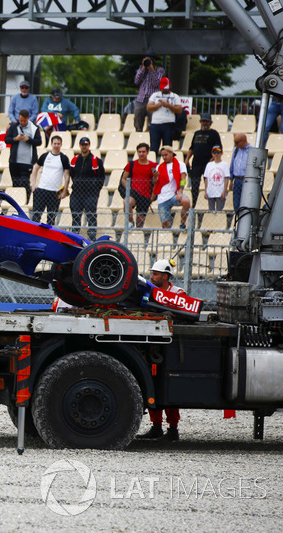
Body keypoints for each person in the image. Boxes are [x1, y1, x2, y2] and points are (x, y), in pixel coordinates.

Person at [136, 259, 183, 442]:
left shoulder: (178, 293)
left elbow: (182, 314)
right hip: (154, 344)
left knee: (169, 387)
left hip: (170, 345)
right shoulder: (149, 292)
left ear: (164, 276)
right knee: (154, 385)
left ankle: (173, 429)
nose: (151, 276)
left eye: (155, 274)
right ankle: (156, 427)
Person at [66, 136, 105, 241]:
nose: (84, 146)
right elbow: (72, 175)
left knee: (91, 217)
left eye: (86, 144)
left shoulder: (96, 161)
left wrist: (95, 190)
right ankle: (75, 238)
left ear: (89, 145)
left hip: (91, 194)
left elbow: (101, 177)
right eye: (82, 144)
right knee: (76, 217)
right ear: (80, 146)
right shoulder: (74, 160)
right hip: (77, 193)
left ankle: (91, 239)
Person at [30, 135, 71, 226]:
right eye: (55, 143)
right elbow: (35, 168)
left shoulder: (64, 158)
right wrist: (33, 184)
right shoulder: (45, 156)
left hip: (55, 192)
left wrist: (64, 191)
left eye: (58, 144)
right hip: (41, 190)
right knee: (36, 216)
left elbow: (67, 176)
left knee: (51, 218)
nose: (56, 145)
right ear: (51, 144)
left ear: (61, 145)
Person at [4, 109, 42, 203]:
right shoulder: (14, 126)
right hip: (14, 161)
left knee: (25, 183)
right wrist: (15, 139)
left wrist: (28, 139)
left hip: (27, 162)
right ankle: (16, 202)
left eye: (24, 120)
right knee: (15, 183)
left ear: (28, 118)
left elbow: (39, 142)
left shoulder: (34, 127)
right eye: (21, 120)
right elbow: (7, 140)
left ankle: (26, 202)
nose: (22, 122)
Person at [185, 113, 221, 208]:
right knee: (195, 185)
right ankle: (194, 204)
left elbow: (218, 147)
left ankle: (210, 205)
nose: (205, 123)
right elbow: (192, 147)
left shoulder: (214, 133)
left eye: (207, 121)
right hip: (196, 163)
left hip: (208, 164)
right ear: (200, 122)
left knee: (209, 185)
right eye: (203, 121)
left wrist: (213, 158)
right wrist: (187, 158)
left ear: (210, 123)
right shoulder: (197, 133)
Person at [152, 146, 191, 229]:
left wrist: (180, 191)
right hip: (162, 197)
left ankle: (182, 223)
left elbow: (183, 179)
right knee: (165, 224)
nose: (164, 157)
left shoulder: (180, 164)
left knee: (186, 201)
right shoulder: (159, 166)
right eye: (162, 156)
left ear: (171, 153)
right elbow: (156, 183)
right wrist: (155, 177)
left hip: (174, 194)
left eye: (166, 155)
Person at [121, 142, 156, 228]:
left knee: (140, 222)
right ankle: (130, 222)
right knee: (127, 202)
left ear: (147, 152)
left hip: (145, 195)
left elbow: (156, 182)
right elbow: (123, 178)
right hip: (134, 192)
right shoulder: (131, 164)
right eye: (139, 152)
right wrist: (128, 189)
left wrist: (152, 196)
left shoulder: (153, 165)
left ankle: (137, 236)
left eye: (143, 152)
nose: (141, 154)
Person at [146, 77, 182, 156]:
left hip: (168, 124)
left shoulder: (175, 96)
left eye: (166, 88)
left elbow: (179, 110)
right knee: (154, 147)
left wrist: (169, 105)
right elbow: (148, 107)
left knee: (167, 148)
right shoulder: (155, 95)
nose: (164, 90)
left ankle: (167, 165)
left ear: (170, 86)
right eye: (163, 88)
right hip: (155, 124)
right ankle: (153, 165)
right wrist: (159, 104)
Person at [133, 57, 165, 133]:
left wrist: (151, 70)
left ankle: (153, 134)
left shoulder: (159, 70)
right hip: (141, 99)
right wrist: (143, 68)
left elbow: (155, 83)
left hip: (153, 100)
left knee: (153, 119)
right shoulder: (141, 69)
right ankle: (138, 133)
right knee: (138, 117)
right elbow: (136, 81)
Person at [230, 133, 252, 214]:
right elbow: (232, 164)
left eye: (237, 142)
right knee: (236, 204)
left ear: (243, 140)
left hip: (247, 180)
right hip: (237, 180)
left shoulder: (252, 150)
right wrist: (231, 181)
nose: (235, 144)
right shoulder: (236, 150)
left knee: (247, 203)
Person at [203, 146, 229, 212]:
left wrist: (224, 191)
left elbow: (226, 179)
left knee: (219, 211)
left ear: (221, 153)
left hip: (220, 192)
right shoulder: (209, 165)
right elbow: (206, 179)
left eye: (218, 152)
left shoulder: (225, 164)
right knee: (211, 211)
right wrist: (206, 191)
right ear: (212, 154)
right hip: (211, 191)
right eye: (214, 152)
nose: (216, 154)